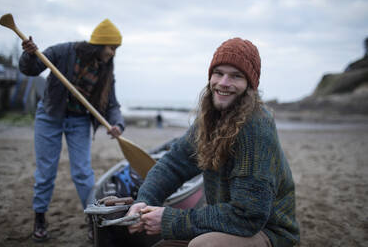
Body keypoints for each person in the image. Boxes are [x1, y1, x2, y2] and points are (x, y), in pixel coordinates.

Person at [127, 38, 300, 247]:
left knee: (203, 245)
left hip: (269, 232)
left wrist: (169, 219)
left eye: (236, 76)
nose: (224, 83)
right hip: (229, 224)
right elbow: (173, 164)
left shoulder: (256, 128)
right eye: (218, 73)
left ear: (250, 85)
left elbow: (248, 216)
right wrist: (145, 201)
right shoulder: (211, 118)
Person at [19, 19, 126, 242]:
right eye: (111, 47)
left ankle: (92, 219)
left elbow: (112, 104)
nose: (113, 53)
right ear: (99, 44)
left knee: (82, 173)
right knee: (46, 172)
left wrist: (118, 124)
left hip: (79, 121)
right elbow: (31, 68)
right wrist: (29, 54)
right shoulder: (63, 51)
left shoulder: (106, 70)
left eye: (116, 49)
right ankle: (40, 218)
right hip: (50, 116)